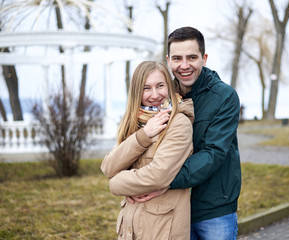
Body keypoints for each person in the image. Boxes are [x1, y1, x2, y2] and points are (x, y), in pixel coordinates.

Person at [132, 26, 242, 240]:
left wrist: (162, 181)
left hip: (214, 207)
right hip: (171, 205)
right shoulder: (162, 95)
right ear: (168, 60)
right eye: (177, 58)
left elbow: (213, 153)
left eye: (192, 57)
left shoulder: (225, 97)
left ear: (204, 58)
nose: (184, 66)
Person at [101, 61, 194, 240]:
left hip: (162, 230)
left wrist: (116, 183)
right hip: (131, 228)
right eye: (146, 88)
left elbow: (158, 175)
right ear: (137, 92)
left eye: (160, 86)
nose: (155, 95)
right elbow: (108, 167)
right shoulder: (135, 122)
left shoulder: (178, 123)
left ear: (169, 85)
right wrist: (143, 135)